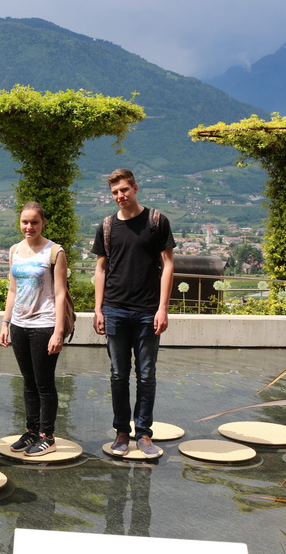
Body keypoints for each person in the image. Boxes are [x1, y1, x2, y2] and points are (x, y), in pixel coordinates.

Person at [91, 168, 175, 459]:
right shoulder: (106, 226)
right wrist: (98, 308)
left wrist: (163, 308)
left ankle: (144, 434)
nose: (120, 196)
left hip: (148, 311)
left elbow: (168, 265)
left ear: (135, 188)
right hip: (114, 309)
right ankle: (121, 432)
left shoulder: (156, 221)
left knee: (147, 374)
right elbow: (101, 269)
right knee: (118, 374)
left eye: (124, 190)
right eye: (115, 192)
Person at [0, 202, 68, 456]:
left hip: (44, 325)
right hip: (19, 324)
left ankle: (47, 436)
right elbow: (12, 290)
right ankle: (31, 431)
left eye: (34, 222)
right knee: (28, 382)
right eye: (25, 222)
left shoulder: (55, 252)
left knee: (44, 383)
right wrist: (5, 323)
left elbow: (60, 293)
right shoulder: (15, 251)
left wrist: (58, 331)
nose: (29, 227)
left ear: (43, 223)